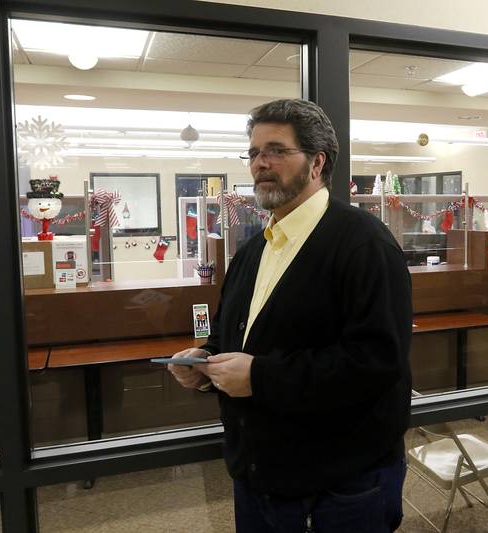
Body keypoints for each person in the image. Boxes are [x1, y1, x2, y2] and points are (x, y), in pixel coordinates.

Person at [168, 99, 413, 532]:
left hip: (341, 487)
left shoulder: (363, 245)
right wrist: (205, 361)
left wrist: (259, 377)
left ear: (317, 162)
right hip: (260, 478)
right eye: (254, 153)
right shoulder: (253, 250)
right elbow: (236, 340)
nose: (261, 163)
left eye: (276, 150)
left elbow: (376, 363)